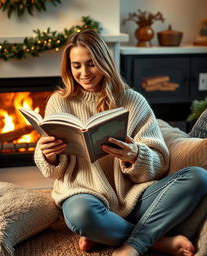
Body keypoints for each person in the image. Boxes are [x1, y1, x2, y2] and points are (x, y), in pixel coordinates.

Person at [34, 29, 207, 256]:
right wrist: (48, 155)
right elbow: (55, 173)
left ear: (105, 62)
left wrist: (135, 155)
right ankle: (155, 242)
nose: (84, 72)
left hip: (132, 197)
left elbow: (160, 162)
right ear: (69, 67)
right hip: (84, 195)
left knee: (198, 176)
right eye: (76, 66)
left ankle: (122, 240)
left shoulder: (133, 101)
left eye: (91, 63)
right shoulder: (59, 102)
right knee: (80, 217)